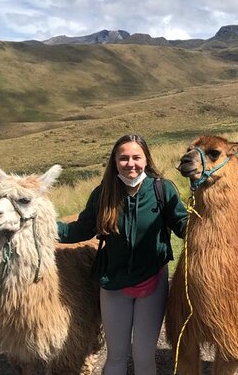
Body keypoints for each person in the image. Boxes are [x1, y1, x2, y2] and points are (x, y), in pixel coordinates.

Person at [56, 133, 188, 375]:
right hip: (113, 283)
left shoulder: (162, 190)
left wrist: (209, 224)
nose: (131, 163)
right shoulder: (103, 193)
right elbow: (81, 229)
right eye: (123, 158)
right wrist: (42, 224)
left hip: (152, 281)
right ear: (114, 162)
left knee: (143, 356)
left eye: (136, 157)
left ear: (146, 159)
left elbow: (183, 225)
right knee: (116, 356)